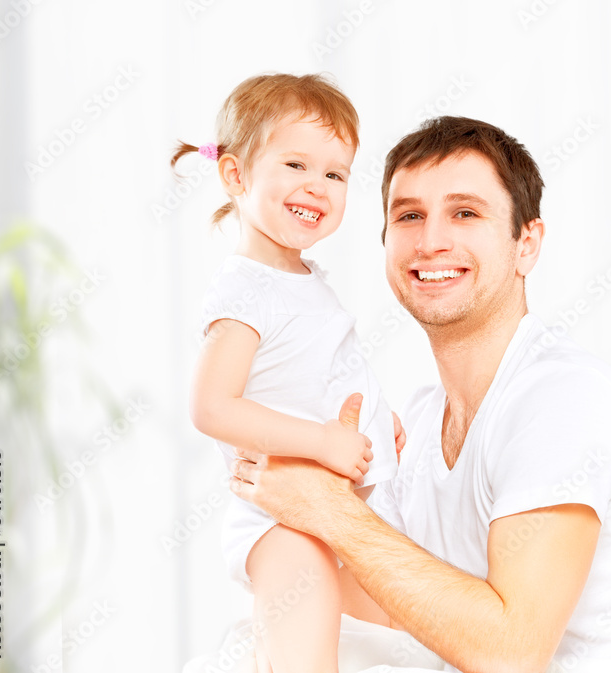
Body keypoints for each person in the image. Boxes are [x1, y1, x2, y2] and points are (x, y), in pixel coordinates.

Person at [229, 116, 611, 673]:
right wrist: (317, 501)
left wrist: (330, 513)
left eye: (465, 213)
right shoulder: (426, 419)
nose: (431, 241)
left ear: (527, 244)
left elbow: (510, 653)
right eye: (409, 216)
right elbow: (399, 601)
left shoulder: (564, 400)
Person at [176, 73, 398, 673]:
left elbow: (313, 370)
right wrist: (323, 441)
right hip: (281, 524)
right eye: (296, 164)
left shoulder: (303, 279)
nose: (317, 186)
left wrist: (381, 415)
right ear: (236, 175)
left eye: (335, 173)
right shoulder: (246, 288)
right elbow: (213, 408)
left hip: (331, 516)